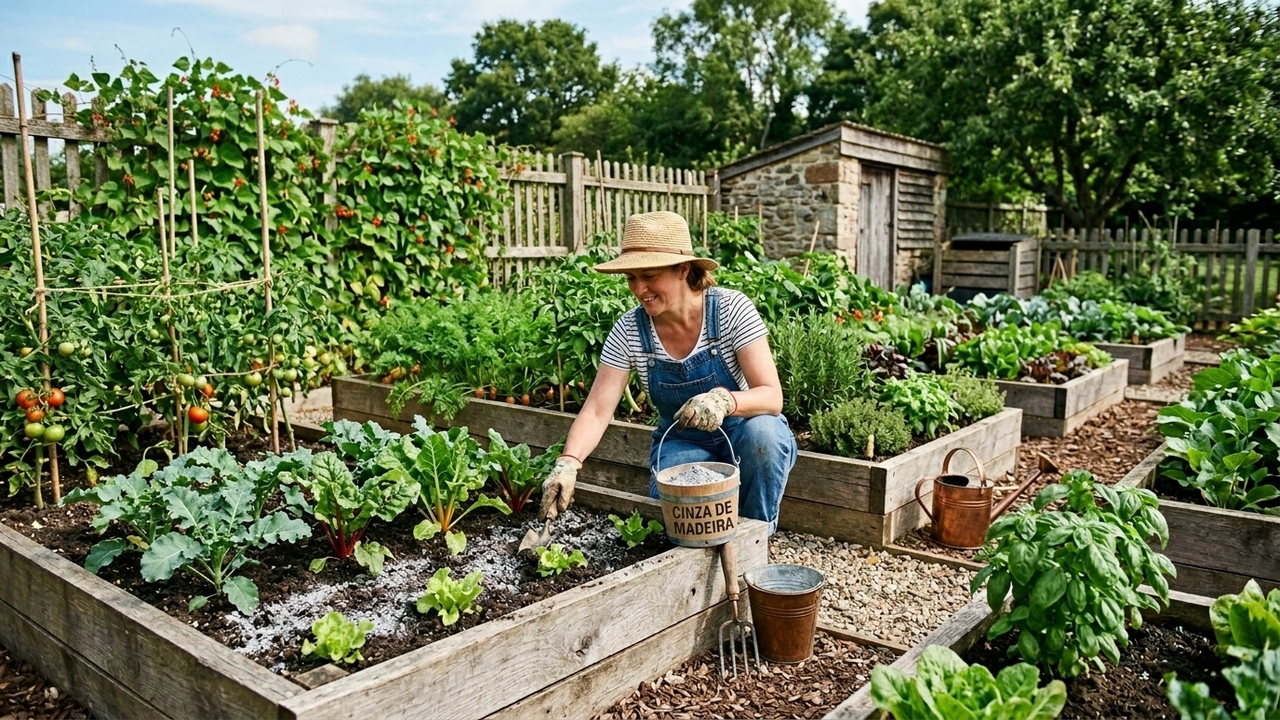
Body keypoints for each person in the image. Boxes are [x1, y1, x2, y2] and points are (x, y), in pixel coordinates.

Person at [538, 210, 798, 534]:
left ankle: (756, 541)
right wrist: (569, 462)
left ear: (683, 269)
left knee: (766, 436)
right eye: (631, 278)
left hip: (742, 432)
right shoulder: (630, 330)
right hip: (682, 439)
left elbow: (772, 397)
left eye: (649, 275)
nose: (639, 288)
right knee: (679, 504)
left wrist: (723, 401)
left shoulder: (731, 310)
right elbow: (596, 410)